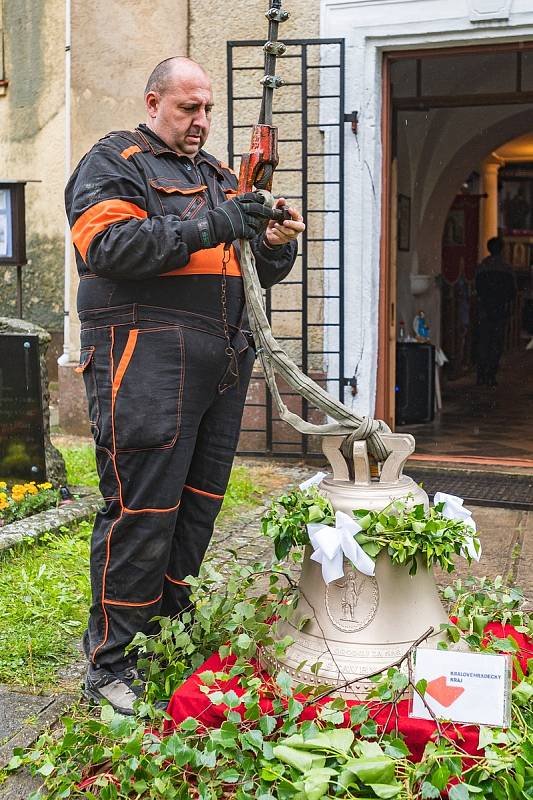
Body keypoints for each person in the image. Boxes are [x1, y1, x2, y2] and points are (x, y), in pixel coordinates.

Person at [65, 56, 305, 714]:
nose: (201, 121)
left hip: (221, 364)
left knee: (195, 511)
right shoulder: (116, 161)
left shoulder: (217, 176)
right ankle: (111, 663)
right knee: (142, 513)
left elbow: (249, 270)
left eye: (206, 110)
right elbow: (108, 247)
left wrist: (274, 242)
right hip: (145, 362)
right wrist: (219, 222)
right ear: (153, 102)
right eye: (187, 108)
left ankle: (165, 637)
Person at [475, 236, 516, 387]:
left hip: (484, 309)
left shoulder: (482, 266)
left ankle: (481, 375)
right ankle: (491, 375)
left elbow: (477, 287)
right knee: (496, 344)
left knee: (483, 342)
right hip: (499, 310)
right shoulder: (507, 268)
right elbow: (512, 292)